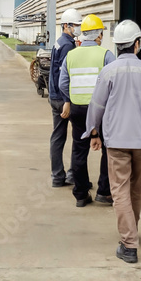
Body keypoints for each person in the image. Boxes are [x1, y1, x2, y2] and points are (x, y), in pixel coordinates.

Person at [84, 20, 141, 264]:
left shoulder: (108, 71)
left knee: (119, 191)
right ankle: (132, 231)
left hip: (117, 142)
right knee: (137, 190)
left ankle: (129, 243)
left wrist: (93, 133)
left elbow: (97, 105)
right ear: (136, 44)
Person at [58, 14, 115, 207]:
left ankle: (81, 195)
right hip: (102, 111)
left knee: (79, 150)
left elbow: (62, 84)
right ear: (98, 35)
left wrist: (74, 98)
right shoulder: (106, 55)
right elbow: (114, 84)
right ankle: (104, 192)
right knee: (108, 149)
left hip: (78, 109)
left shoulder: (71, 55)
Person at [48, 8, 81, 187]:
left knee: (58, 137)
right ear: (66, 26)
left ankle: (57, 176)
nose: (78, 28)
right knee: (77, 137)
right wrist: (67, 101)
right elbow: (64, 76)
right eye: (76, 25)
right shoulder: (68, 45)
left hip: (54, 97)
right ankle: (72, 175)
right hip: (63, 99)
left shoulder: (59, 42)